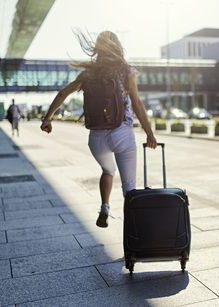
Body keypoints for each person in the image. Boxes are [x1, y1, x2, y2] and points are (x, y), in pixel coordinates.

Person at [40, 31, 157, 228]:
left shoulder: (88, 73)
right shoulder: (126, 70)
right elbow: (136, 103)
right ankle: (133, 234)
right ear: (117, 46)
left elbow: (62, 93)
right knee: (129, 187)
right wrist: (149, 133)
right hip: (122, 133)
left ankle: (104, 206)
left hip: (96, 138)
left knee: (107, 170)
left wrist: (47, 119)